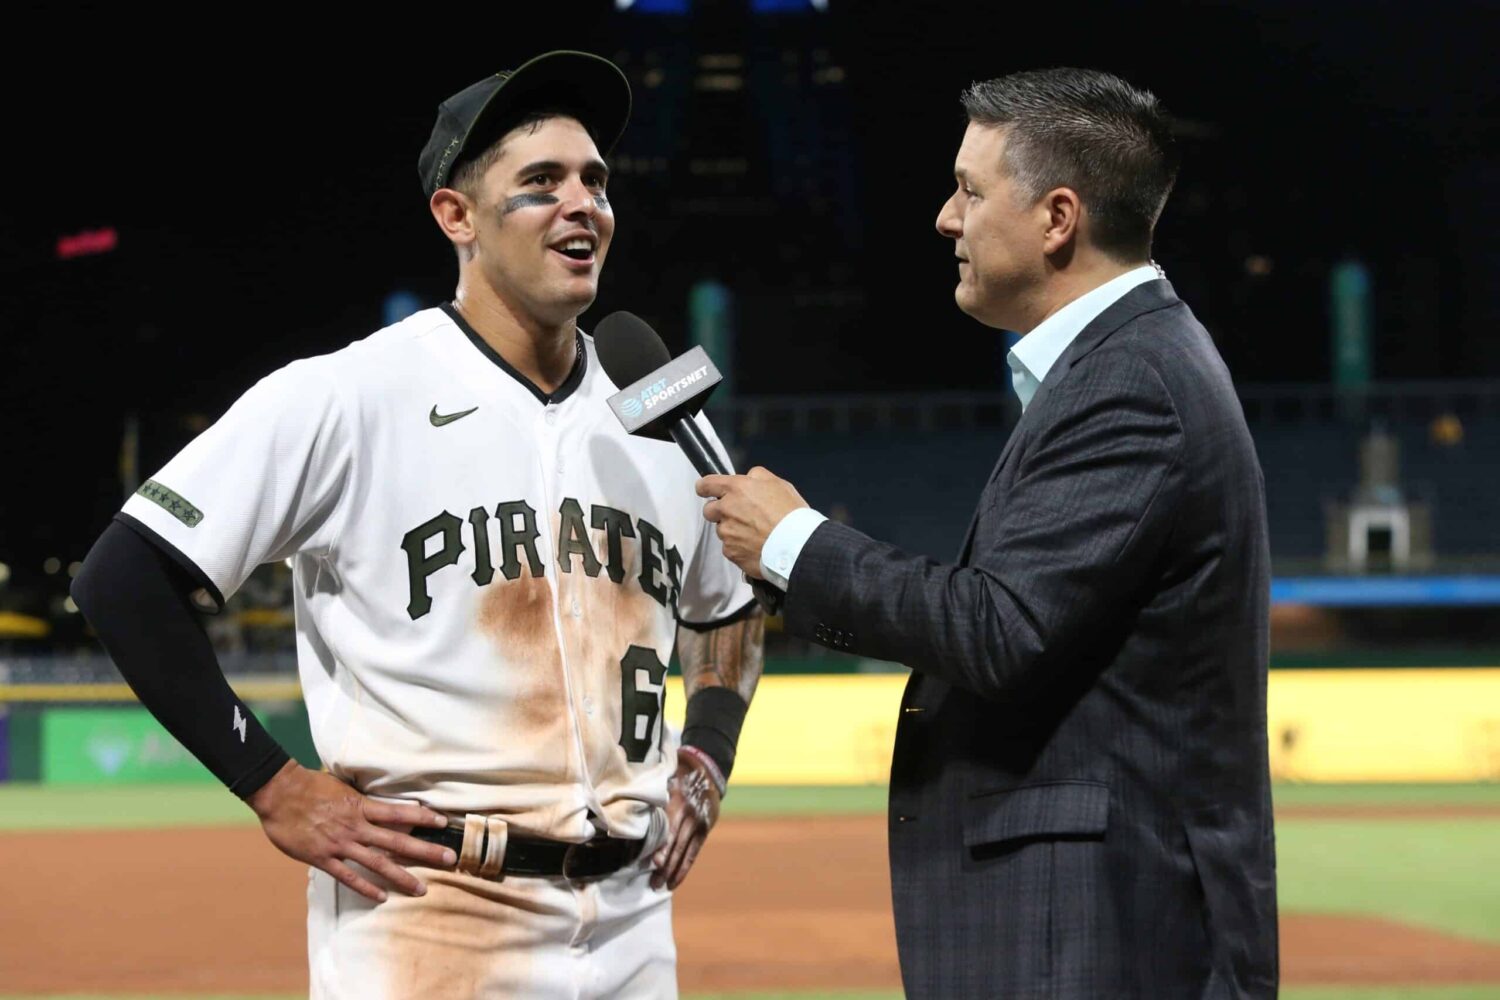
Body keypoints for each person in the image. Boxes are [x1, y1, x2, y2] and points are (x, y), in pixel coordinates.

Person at [72, 50, 764, 999]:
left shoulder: (660, 410)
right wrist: (273, 784)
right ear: (457, 216)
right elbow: (120, 577)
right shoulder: (348, 395)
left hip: (634, 919)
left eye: (596, 181)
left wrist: (709, 755)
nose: (584, 204)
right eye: (542, 183)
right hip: (431, 909)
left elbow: (732, 599)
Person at [699, 67, 1277, 998]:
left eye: (970, 189)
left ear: (1057, 218)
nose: (944, 217)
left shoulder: (1133, 381)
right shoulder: (1132, 363)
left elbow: (999, 629)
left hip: (1102, 934)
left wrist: (795, 542)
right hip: (1097, 922)